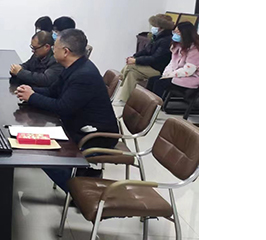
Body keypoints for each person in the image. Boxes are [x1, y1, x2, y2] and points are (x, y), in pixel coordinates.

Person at [15, 29, 119, 192]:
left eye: (55, 47)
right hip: (78, 126)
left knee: (41, 153)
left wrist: (32, 97)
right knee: (34, 143)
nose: (52, 50)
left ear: (65, 51)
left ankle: (79, 192)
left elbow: (62, 107)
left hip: (94, 136)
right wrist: (30, 92)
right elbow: (53, 91)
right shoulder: (73, 67)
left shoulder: (84, 75)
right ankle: (83, 175)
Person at [115, 14, 175, 104]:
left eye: (154, 25)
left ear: (160, 27)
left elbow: (155, 59)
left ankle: (115, 85)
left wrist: (136, 61)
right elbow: (146, 50)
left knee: (130, 66)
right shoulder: (157, 37)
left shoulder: (166, 41)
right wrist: (134, 56)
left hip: (158, 70)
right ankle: (123, 100)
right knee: (132, 74)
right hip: (150, 67)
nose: (152, 28)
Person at [154, 21, 199, 98]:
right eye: (174, 32)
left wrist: (170, 75)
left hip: (190, 78)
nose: (175, 34)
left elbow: (188, 70)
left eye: (178, 33)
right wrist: (166, 73)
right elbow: (172, 63)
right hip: (177, 74)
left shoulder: (195, 50)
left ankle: (156, 103)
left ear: (185, 34)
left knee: (159, 83)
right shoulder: (178, 46)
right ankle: (147, 102)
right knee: (152, 80)